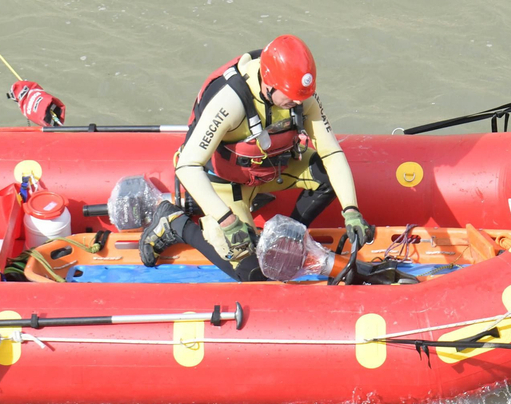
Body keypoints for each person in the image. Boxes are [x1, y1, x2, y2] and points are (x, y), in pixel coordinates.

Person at [139, 35, 374, 281]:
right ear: (268, 84)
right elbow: (187, 166)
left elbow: (331, 153)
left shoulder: (300, 96)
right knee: (253, 274)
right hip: (226, 183)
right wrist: (227, 221)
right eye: (291, 97)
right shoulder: (231, 101)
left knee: (325, 176)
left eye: (301, 97)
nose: (298, 103)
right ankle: (176, 224)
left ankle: (281, 242)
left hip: (270, 169)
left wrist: (351, 211)